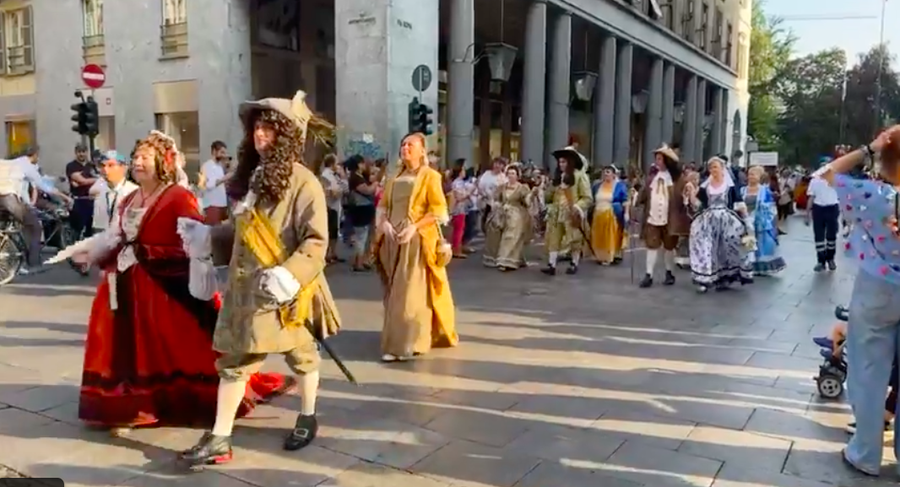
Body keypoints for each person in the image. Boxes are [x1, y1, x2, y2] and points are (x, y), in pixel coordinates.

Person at [72, 131, 292, 436]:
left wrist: (152, 253)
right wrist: (96, 252)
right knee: (126, 349)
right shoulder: (130, 198)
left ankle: (153, 403)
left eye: (145, 158)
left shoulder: (178, 196)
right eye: (136, 158)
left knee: (164, 346)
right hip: (126, 285)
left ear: (163, 162)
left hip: (164, 286)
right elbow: (116, 235)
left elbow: (196, 241)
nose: (138, 162)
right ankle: (127, 404)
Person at [178, 91, 342, 465]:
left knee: (301, 355)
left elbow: (317, 241)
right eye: (257, 127)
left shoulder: (305, 182)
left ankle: (307, 413)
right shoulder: (252, 177)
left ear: (287, 136)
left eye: (269, 128)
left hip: (286, 294)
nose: (260, 134)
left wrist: (289, 274)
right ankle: (221, 436)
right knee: (236, 360)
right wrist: (208, 236)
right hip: (245, 290)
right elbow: (241, 230)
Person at [813, 126, 900, 476]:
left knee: (867, 371)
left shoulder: (872, 194)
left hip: (878, 287)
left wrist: (870, 146)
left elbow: (825, 175)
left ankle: (865, 453)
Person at [374, 132, 458, 363]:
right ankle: (399, 338)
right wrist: (385, 224)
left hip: (417, 241)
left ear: (422, 150)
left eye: (410, 145)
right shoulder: (394, 177)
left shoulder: (431, 176)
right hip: (393, 240)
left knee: (410, 291)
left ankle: (408, 344)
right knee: (394, 293)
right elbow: (383, 206)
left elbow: (439, 210)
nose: (405, 148)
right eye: (403, 144)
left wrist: (415, 227)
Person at [0, 147, 72, 274]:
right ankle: (34, 264)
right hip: (8, 198)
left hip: (5, 199)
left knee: (17, 226)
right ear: (34, 155)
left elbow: (22, 188)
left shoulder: (9, 163)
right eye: (37, 156)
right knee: (35, 227)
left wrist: (26, 204)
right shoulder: (26, 165)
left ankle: (17, 261)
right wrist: (65, 197)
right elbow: (43, 186)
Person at [687, 157, 753, 293]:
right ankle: (704, 278)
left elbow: (740, 204)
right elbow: (698, 204)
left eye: (715, 167)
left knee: (728, 246)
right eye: (711, 168)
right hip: (708, 220)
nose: (713, 170)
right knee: (706, 246)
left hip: (727, 219)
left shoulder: (730, 186)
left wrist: (747, 221)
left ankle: (725, 276)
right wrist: (692, 194)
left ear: (722, 169)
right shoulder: (706, 186)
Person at [635, 144, 690, 288]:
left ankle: (669, 272)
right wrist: (636, 197)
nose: (656, 162)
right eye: (656, 159)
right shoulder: (651, 178)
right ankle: (648, 274)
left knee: (669, 247)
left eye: (660, 159)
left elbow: (684, 196)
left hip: (669, 219)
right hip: (652, 218)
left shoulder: (677, 181)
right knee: (651, 246)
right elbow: (643, 196)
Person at [541, 146, 591, 276]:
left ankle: (574, 263)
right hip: (556, 213)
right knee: (554, 238)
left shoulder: (580, 176)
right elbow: (548, 197)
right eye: (560, 162)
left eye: (564, 162)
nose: (561, 164)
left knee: (575, 239)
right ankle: (552, 265)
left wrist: (577, 207)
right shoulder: (557, 177)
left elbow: (587, 198)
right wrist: (546, 189)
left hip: (571, 212)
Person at [483, 164, 532, 271]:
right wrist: (496, 205)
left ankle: (505, 260)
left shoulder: (522, 188)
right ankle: (495, 257)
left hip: (516, 213)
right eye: (509, 173)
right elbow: (495, 199)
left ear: (517, 175)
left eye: (513, 173)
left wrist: (532, 195)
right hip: (502, 212)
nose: (511, 176)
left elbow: (527, 202)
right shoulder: (502, 187)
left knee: (511, 235)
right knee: (493, 230)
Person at [742, 166, 786, 276]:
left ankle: (761, 265)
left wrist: (764, 213)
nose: (751, 176)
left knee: (761, 243)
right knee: (749, 240)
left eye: (754, 174)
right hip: (746, 220)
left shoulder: (764, 191)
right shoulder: (742, 190)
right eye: (750, 174)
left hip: (760, 221)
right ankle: (750, 263)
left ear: (759, 177)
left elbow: (771, 207)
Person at [89, 151, 138, 235]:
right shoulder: (100, 187)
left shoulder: (133, 191)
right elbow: (97, 227)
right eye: (102, 166)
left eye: (111, 165)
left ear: (123, 168)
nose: (105, 170)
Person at [589, 165, 629, 265]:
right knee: (599, 236)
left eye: (608, 172)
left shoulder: (619, 186)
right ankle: (599, 255)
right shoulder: (597, 186)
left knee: (610, 236)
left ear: (613, 174)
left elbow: (625, 201)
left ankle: (610, 256)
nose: (606, 175)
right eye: (604, 172)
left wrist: (626, 213)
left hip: (611, 214)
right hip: (598, 214)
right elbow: (592, 199)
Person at [806, 156, 840, 272]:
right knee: (819, 237)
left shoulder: (836, 180)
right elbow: (811, 197)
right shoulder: (814, 180)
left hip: (832, 208)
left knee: (831, 236)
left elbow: (844, 196)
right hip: (818, 209)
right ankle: (821, 261)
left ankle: (830, 259)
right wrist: (807, 214)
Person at [345, 155, 377, 271]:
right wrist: (375, 185)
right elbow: (367, 190)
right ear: (358, 165)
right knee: (361, 236)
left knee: (364, 236)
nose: (365, 166)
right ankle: (358, 262)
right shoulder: (355, 178)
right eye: (363, 163)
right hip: (361, 209)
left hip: (364, 208)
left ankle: (361, 260)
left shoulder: (359, 176)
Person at [66, 143, 99, 239]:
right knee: (77, 229)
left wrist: (84, 181)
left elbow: (82, 181)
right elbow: (79, 181)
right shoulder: (71, 166)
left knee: (91, 229)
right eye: (79, 152)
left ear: (87, 152)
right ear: (75, 153)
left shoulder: (91, 166)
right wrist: (95, 179)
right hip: (79, 201)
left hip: (92, 200)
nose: (81, 154)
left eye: (83, 152)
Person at [319, 154, 345, 264]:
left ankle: (332, 253)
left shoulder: (335, 175)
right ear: (332, 163)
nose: (338, 166)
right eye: (336, 163)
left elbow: (344, 188)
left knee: (334, 231)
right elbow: (332, 192)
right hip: (330, 206)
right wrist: (340, 191)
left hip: (336, 206)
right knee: (330, 231)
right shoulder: (326, 175)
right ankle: (327, 254)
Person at [199, 141, 230, 225]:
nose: (224, 155)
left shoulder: (219, 167)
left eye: (224, 153)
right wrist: (225, 178)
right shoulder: (207, 166)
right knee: (213, 231)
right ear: (214, 152)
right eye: (222, 152)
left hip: (222, 204)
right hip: (212, 205)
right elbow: (208, 185)